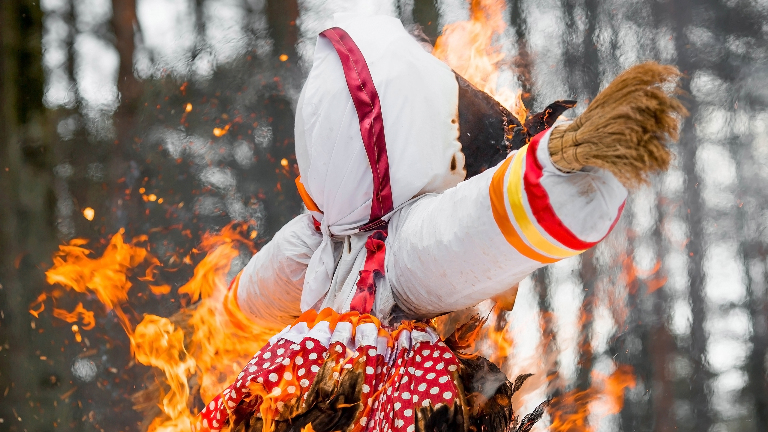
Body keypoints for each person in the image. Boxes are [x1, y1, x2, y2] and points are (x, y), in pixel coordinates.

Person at [195, 13, 685, 432]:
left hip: (292, 396)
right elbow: (473, 229)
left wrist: (225, 316)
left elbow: (264, 285)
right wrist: (561, 170)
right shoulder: (402, 247)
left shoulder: (318, 235)